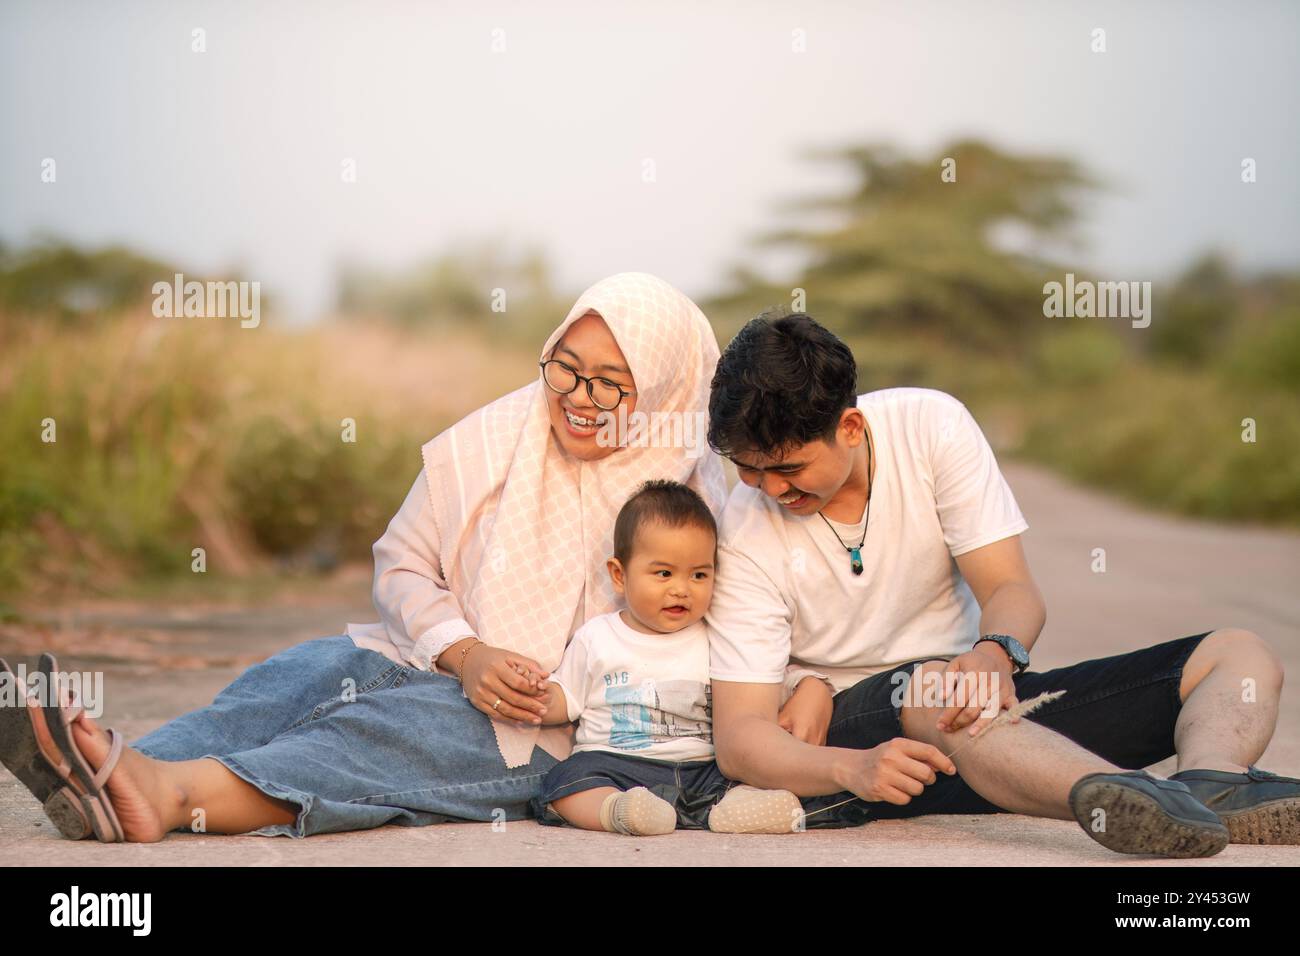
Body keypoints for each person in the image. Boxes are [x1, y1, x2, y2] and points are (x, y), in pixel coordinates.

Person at [0, 272, 727, 841]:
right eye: (565, 368)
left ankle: (165, 796)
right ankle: (111, 763)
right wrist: (466, 652)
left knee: (369, 736)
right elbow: (403, 564)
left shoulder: (693, 490)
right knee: (302, 672)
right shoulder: (495, 437)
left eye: (610, 384)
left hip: (552, 729)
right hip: (441, 664)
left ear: (660, 388)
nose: (578, 398)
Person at [704, 310, 1299, 856]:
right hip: (871, 742)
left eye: (787, 468)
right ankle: (1120, 800)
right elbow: (739, 736)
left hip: (985, 719)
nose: (769, 489)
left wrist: (996, 652)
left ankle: (1209, 783)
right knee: (931, 688)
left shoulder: (931, 427)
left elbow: (1011, 589)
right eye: (748, 469)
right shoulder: (746, 526)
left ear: (852, 427)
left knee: (1237, 654)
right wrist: (847, 770)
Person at [528, 479, 822, 836]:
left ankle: (732, 811)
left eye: (699, 574)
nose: (681, 588)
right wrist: (539, 696)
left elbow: (763, 677)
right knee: (568, 778)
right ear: (620, 575)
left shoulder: (718, 635)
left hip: (703, 767)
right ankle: (619, 810)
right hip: (616, 765)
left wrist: (807, 684)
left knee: (748, 776)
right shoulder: (597, 637)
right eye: (664, 573)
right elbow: (566, 698)